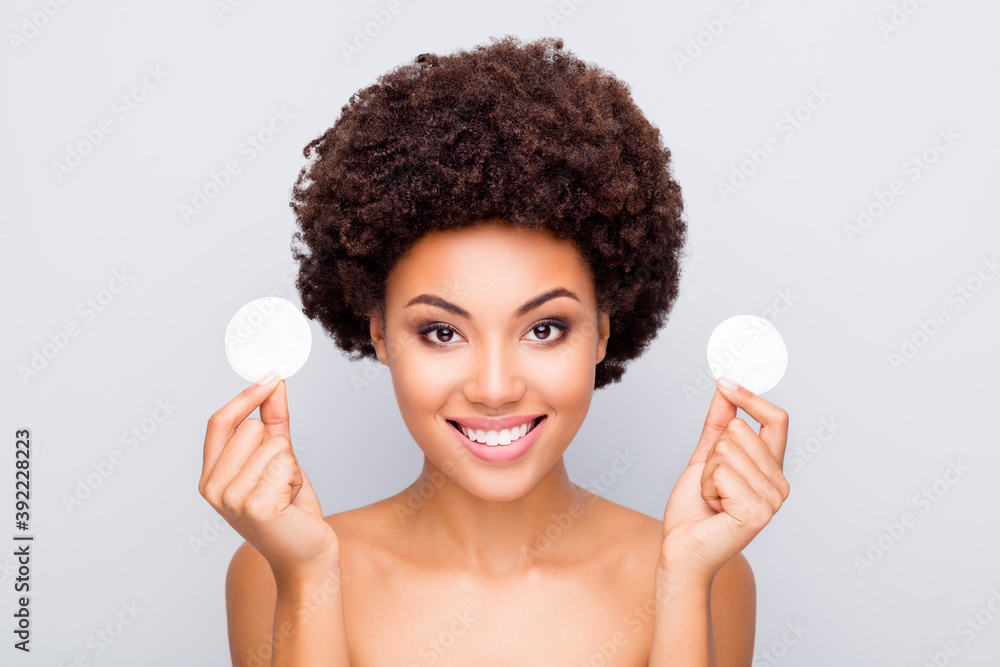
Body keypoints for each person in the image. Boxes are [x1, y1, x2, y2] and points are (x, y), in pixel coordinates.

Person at [199, 35, 790, 666]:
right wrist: (309, 575)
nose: (495, 386)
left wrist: (683, 578)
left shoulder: (706, 569)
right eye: (442, 332)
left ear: (604, 331)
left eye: (544, 329)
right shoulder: (279, 563)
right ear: (377, 333)